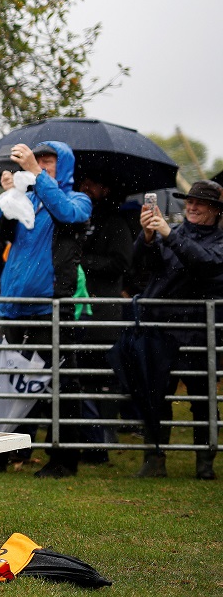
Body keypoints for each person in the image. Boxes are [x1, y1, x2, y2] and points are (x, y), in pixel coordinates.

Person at [0, 141, 92, 478]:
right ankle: (3, 450)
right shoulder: (28, 198)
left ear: (63, 166)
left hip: (52, 306)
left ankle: (64, 458)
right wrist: (9, 198)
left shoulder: (78, 199)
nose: (42, 165)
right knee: (9, 383)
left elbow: (67, 214)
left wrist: (35, 174)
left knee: (62, 387)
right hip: (15, 306)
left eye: (49, 160)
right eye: (39, 160)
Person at [129, 180, 223, 480]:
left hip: (198, 332)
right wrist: (146, 238)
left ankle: (204, 463)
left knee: (202, 400)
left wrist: (167, 235)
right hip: (160, 329)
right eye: (190, 201)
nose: (192, 207)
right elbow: (142, 267)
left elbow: (203, 263)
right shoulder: (173, 234)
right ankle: (154, 459)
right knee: (154, 395)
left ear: (215, 210)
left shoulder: (218, 242)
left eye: (200, 203)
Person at [76, 176, 133, 464]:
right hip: (77, 314)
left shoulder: (115, 223)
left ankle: (102, 443)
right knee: (81, 381)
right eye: (82, 182)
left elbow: (121, 262)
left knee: (102, 381)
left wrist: (83, 262)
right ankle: (86, 441)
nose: (86, 187)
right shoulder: (75, 220)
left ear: (106, 188)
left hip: (103, 316)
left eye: (92, 183)